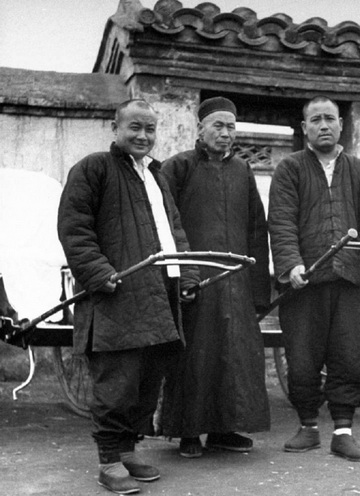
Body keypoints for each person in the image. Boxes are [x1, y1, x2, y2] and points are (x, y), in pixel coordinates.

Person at [58, 99, 199, 494]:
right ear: (115, 128)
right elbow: (74, 228)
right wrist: (99, 273)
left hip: (159, 291)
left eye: (150, 129)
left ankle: (129, 449)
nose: (143, 136)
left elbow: (174, 231)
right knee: (117, 379)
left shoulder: (156, 175)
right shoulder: (93, 169)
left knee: (147, 378)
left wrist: (186, 274)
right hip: (117, 293)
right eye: (134, 127)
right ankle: (108, 459)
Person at [268, 95, 360, 462]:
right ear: (304, 127)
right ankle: (308, 426)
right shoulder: (289, 169)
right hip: (302, 284)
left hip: (345, 282)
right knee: (303, 360)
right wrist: (291, 265)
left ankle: (342, 430)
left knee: (348, 357)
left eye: (330, 119)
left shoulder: (358, 170)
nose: (324, 125)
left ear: (341, 124)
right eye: (315, 119)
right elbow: (282, 222)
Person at [160, 97, 271, 458]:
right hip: (194, 279)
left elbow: (257, 227)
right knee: (195, 357)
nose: (225, 134)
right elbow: (165, 226)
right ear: (200, 129)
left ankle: (225, 429)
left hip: (235, 280)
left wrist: (257, 287)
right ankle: (188, 433)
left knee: (233, 355)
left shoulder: (242, 170)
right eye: (218, 126)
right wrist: (179, 278)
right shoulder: (178, 168)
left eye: (231, 127)